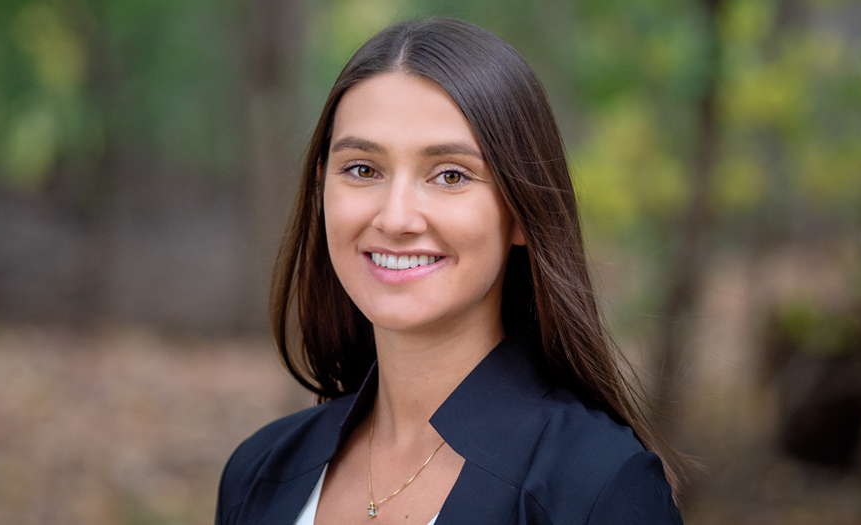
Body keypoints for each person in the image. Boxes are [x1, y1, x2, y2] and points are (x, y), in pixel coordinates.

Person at [216, 17, 684, 525]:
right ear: (321, 187)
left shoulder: (598, 485)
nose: (395, 218)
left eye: (450, 175)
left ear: (522, 212)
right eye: (363, 169)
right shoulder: (257, 473)